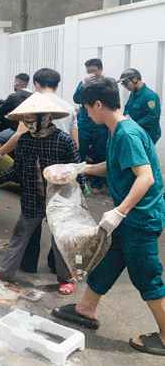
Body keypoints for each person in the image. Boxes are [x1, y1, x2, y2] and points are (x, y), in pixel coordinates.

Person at [52, 78, 165, 357]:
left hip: (140, 219)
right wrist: (84, 169)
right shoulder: (117, 130)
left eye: (87, 109)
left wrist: (119, 212)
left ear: (99, 105)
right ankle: (85, 309)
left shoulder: (126, 133)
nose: (87, 115)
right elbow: (115, 165)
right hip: (129, 219)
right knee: (108, 262)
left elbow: (145, 178)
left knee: (146, 275)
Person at [0, 93, 81, 294]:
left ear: (45, 117)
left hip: (59, 201)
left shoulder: (64, 141)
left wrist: (76, 201)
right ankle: (4, 273)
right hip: (31, 199)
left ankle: (65, 279)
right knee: (19, 234)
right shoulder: (25, 141)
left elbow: (77, 171)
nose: (28, 122)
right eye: (26, 118)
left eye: (32, 117)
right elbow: (16, 170)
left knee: (60, 240)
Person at [73, 58, 108, 194]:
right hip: (85, 122)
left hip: (100, 123)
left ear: (101, 70)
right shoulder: (85, 83)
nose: (92, 74)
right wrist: (83, 83)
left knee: (100, 153)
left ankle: (97, 183)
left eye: (94, 71)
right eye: (88, 71)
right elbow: (76, 99)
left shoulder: (107, 83)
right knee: (79, 151)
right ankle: (77, 181)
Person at [118, 68, 161, 145]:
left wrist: (135, 124)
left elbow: (153, 116)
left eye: (125, 83)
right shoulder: (133, 94)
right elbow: (127, 107)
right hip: (135, 131)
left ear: (135, 79)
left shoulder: (150, 96)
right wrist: (126, 115)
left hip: (147, 134)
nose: (125, 86)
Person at [0, 73, 32, 146]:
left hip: (17, 129)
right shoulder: (33, 95)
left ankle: (0, 156)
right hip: (31, 129)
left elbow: (1, 111)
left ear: (16, 82)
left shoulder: (14, 96)